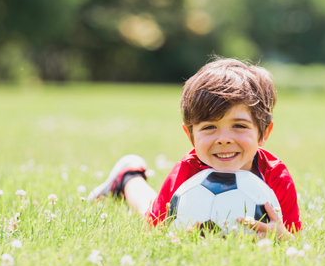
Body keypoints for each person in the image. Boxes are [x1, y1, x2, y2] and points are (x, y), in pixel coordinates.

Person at [88, 58, 301, 240]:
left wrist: (281, 237)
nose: (224, 139)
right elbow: (155, 231)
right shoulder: (187, 172)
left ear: (263, 133)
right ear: (190, 135)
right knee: (148, 211)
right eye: (209, 127)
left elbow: (294, 237)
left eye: (239, 126)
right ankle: (128, 177)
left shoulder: (276, 177)